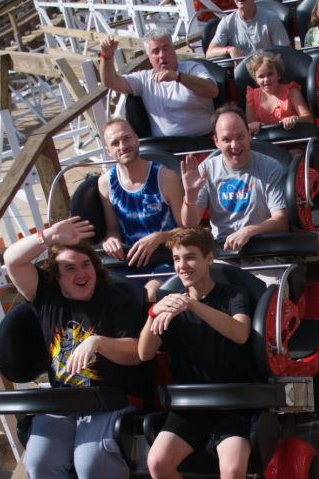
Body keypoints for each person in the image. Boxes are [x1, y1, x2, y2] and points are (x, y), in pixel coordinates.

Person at [3, 216, 152, 479]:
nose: (81, 273)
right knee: (39, 461)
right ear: (56, 278)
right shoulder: (47, 297)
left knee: (92, 462)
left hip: (110, 398)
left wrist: (98, 342)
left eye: (86, 265)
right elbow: (12, 261)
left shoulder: (117, 297)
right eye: (69, 269)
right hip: (64, 399)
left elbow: (136, 354)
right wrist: (46, 237)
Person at [138, 227, 260, 479]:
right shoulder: (171, 303)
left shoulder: (233, 295)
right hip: (191, 406)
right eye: (177, 259)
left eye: (190, 258)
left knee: (230, 470)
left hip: (234, 403)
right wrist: (155, 312)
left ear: (209, 259)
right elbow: (144, 353)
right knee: (157, 462)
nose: (182, 266)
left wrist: (192, 306)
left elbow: (240, 333)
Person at [180, 105, 288, 252]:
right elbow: (190, 224)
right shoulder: (206, 170)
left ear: (249, 135)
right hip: (224, 253)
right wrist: (190, 196)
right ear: (216, 141)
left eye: (240, 137)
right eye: (227, 139)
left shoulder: (271, 168)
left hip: (265, 251)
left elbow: (281, 220)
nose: (235, 145)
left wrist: (249, 231)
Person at [98, 117, 183, 297]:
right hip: (129, 261)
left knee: (148, 294)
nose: (123, 146)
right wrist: (110, 240)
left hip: (165, 258)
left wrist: (159, 237)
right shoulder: (106, 183)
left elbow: (186, 229)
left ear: (137, 139)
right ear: (108, 151)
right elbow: (113, 230)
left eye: (126, 138)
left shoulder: (166, 177)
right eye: (115, 143)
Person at [99, 28, 218, 137]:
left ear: (173, 50)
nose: (162, 55)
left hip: (202, 141)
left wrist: (178, 77)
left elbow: (212, 90)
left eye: (166, 49)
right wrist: (106, 56)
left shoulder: (192, 68)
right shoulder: (144, 79)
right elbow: (110, 82)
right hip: (163, 149)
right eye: (156, 51)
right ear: (149, 57)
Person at [206, 0, 291, 60]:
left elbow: (286, 52)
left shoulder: (270, 19)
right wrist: (230, 50)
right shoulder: (227, 22)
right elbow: (209, 52)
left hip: (267, 70)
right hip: (241, 71)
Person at [245, 51, 313, 132]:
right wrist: (252, 125)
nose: (266, 79)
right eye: (261, 76)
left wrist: (296, 119)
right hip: (264, 142)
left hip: (293, 140)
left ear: (279, 75)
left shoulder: (291, 91)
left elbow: (309, 119)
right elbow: (247, 127)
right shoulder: (251, 96)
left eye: (270, 74)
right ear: (256, 80)